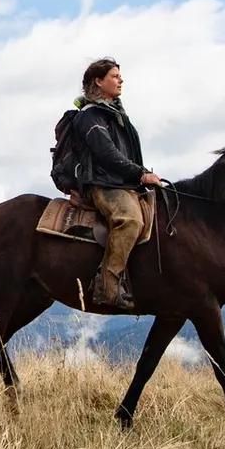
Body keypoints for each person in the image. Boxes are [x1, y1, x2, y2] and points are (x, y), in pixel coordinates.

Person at [51, 59, 161, 312]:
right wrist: (140, 174)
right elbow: (106, 153)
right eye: (114, 76)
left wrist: (138, 176)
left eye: (120, 76)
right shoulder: (91, 116)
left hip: (123, 183)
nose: (120, 80)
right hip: (103, 185)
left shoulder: (115, 115)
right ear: (98, 82)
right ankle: (108, 286)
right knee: (130, 219)